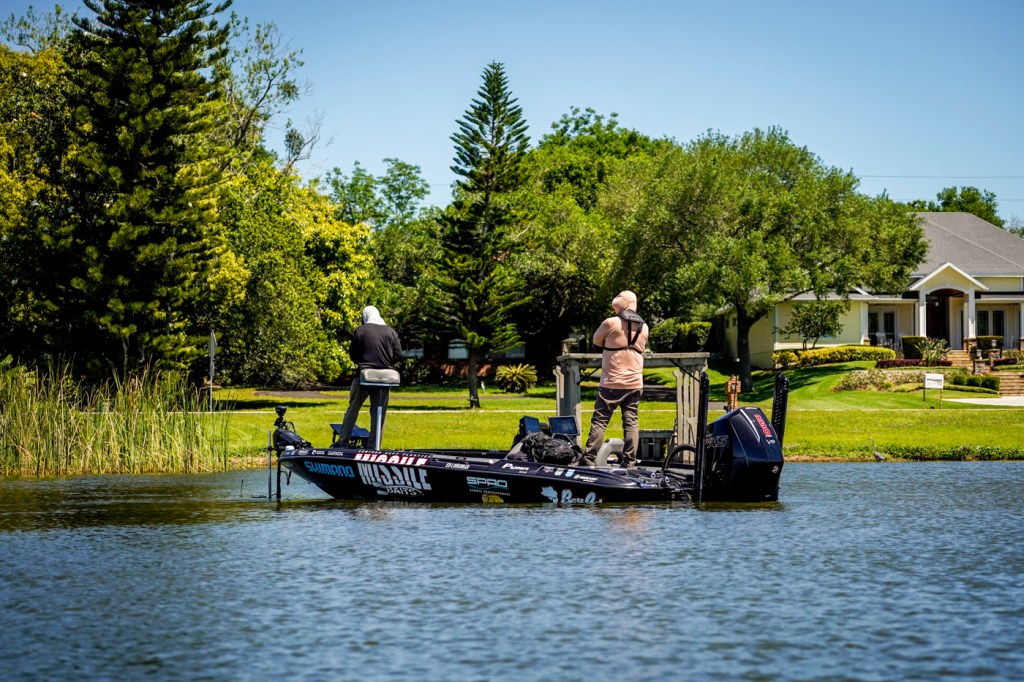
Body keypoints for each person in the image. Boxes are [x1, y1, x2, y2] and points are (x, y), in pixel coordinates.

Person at [578, 291, 649, 468]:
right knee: (631, 422)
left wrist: (612, 342)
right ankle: (630, 462)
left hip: (611, 382)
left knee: (600, 421)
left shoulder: (610, 322)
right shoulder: (644, 326)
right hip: (635, 382)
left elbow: (597, 341)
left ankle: (588, 460)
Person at [336, 306, 403, 446]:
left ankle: (342, 442)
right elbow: (398, 355)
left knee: (353, 409)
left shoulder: (361, 330)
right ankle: (374, 445)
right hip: (384, 378)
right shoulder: (391, 331)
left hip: (364, 375)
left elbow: (353, 353)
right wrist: (386, 364)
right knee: (379, 412)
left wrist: (362, 362)